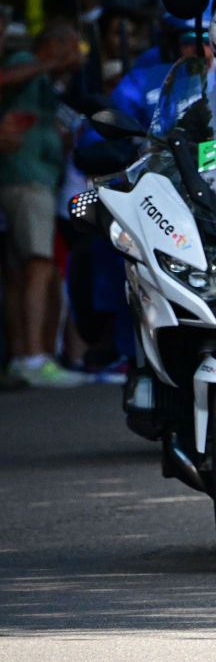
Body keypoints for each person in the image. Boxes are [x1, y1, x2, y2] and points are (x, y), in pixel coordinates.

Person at [1, 22, 87, 388]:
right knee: (37, 265)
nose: (75, 55)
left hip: (37, 182)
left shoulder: (49, 86)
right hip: (24, 180)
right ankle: (34, 357)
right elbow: (6, 78)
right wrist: (49, 64)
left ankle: (26, 357)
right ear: (51, 45)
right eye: (69, 47)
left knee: (26, 271)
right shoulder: (26, 61)